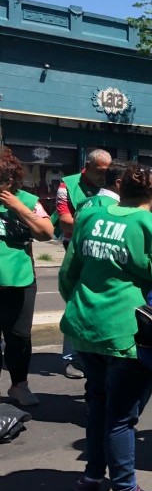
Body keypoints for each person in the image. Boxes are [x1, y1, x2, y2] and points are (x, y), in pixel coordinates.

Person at [59, 164, 152, 491]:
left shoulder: (90, 217)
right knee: (122, 417)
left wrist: (84, 306)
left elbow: (68, 274)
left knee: (98, 405)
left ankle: (93, 478)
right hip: (128, 334)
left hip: (86, 327)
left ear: (120, 187)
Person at [0, 148, 55, 406]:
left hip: (19, 282)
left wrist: (18, 207)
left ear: (9, 181)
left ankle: (19, 386)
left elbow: (46, 232)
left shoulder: (28, 200)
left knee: (19, 338)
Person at [57, 148, 113, 379]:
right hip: (77, 247)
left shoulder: (111, 185)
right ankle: (72, 358)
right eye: (99, 171)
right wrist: (96, 224)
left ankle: (98, 352)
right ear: (87, 166)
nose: (103, 176)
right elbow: (65, 223)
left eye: (107, 172)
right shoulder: (68, 185)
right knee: (75, 300)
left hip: (105, 247)